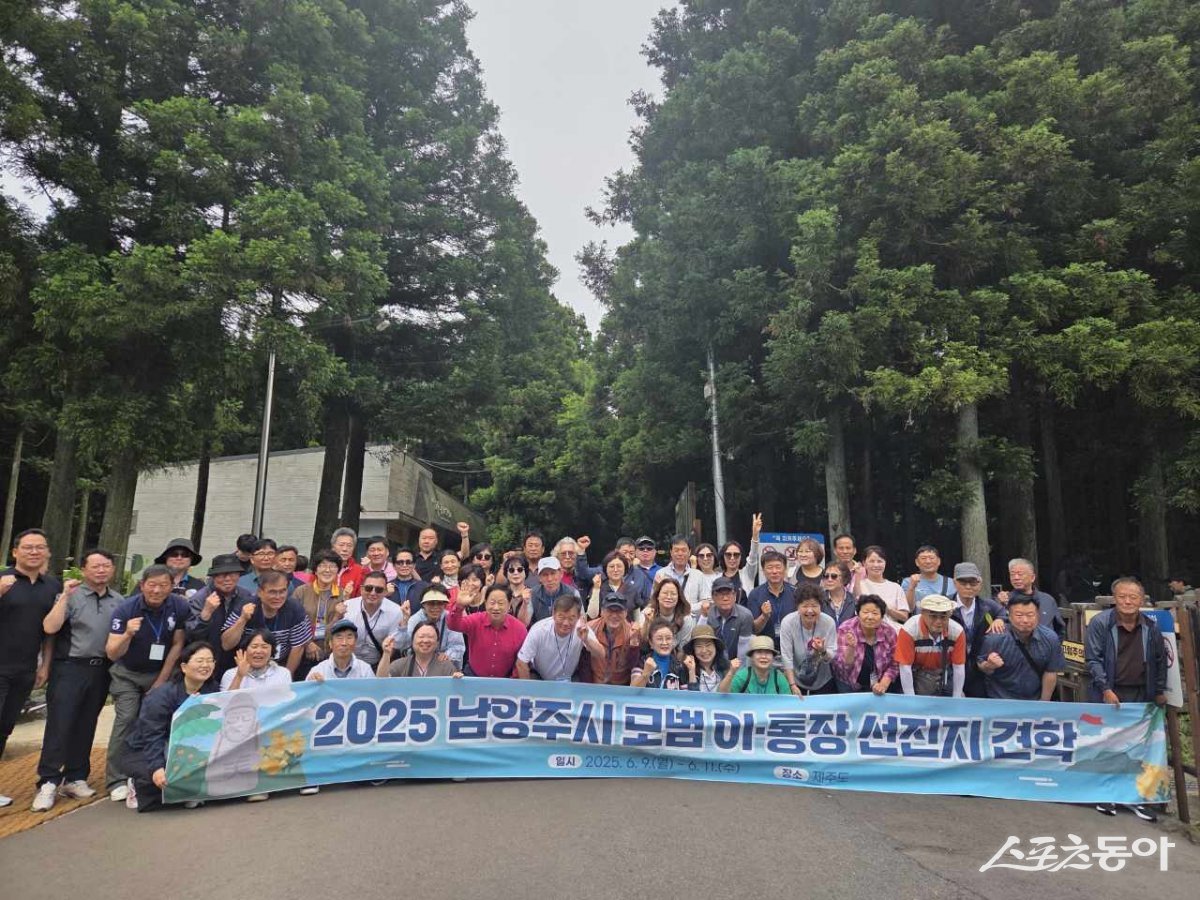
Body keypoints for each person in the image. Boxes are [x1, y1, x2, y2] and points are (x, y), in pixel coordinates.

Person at [31, 549, 123, 813]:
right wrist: (63, 598)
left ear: (113, 570)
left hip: (101, 669)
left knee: (86, 724)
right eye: (95, 566)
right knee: (61, 723)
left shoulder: (118, 600)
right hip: (69, 667)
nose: (101, 570)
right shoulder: (71, 595)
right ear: (84, 570)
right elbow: (50, 628)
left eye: (106, 566)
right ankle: (48, 780)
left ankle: (76, 776)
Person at [103, 565, 189, 802]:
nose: (157, 590)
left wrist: (161, 681)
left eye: (163, 585)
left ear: (172, 587)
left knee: (157, 721)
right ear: (142, 586)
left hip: (160, 673)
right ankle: (116, 779)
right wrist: (128, 634)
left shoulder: (179, 606)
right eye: (152, 585)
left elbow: (177, 644)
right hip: (127, 673)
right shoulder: (126, 609)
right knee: (127, 718)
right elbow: (111, 652)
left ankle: (153, 772)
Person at [1085, 577, 1167, 821]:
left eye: (1133, 597)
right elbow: (1093, 659)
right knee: (1108, 745)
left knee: (1137, 747)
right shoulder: (1100, 623)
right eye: (1122, 596)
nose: (1128, 601)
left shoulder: (1150, 628)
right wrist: (1105, 688)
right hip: (1110, 693)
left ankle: (1134, 797)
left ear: (1142, 600)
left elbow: (1160, 661)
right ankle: (1105, 795)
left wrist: (1159, 690)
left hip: (1141, 693)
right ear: (1114, 598)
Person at [0, 529, 59, 807]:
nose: (34, 552)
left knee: (5, 727)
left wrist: (44, 665)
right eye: (27, 547)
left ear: (47, 552)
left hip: (25, 670)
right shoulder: (3, 580)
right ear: (15, 552)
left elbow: (50, 633)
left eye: (39, 547)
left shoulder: (52, 586)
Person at [123, 641, 217, 813]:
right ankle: (135, 784)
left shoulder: (211, 689)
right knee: (159, 783)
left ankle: (188, 790)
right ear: (184, 666)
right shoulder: (162, 696)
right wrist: (157, 768)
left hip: (186, 743)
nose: (205, 665)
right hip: (149, 746)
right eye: (200, 660)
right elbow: (152, 735)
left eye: (210, 660)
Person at [220, 570, 312, 676]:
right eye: (272, 592)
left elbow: (298, 647)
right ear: (260, 592)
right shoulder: (245, 606)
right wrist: (242, 619)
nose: (278, 597)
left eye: (282, 591)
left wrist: (285, 676)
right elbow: (226, 645)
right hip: (246, 666)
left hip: (281, 664)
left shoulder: (295, 608)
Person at [977, 594, 1064, 701]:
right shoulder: (995, 638)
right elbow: (981, 665)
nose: (1025, 620)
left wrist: (1043, 702)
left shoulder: (1050, 638)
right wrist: (989, 665)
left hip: (1034, 700)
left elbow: (1051, 671)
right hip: (1000, 700)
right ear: (1009, 616)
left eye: (1030, 615)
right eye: (1019, 615)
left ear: (1038, 615)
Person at [185, 553, 256, 681]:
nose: (228, 579)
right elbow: (191, 635)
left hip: (236, 660)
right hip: (206, 661)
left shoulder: (246, 596)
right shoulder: (200, 598)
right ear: (213, 577)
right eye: (222, 575)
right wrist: (206, 614)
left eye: (233, 574)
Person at [949, 562, 1007, 698]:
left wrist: (1000, 620)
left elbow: (1004, 614)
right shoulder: (945, 605)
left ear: (980, 584)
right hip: (950, 666)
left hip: (980, 667)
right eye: (963, 582)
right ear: (955, 583)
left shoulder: (988, 606)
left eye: (973, 583)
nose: (968, 587)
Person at [515, 594, 604, 681]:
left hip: (570, 678)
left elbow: (601, 654)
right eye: (561, 617)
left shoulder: (582, 629)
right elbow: (521, 662)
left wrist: (586, 640)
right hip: (539, 676)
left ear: (578, 617)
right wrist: (529, 691)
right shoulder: (539, 630)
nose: (565, 623)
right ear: (553, 614)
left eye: (571, 618)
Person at [446, 583, 528, 678]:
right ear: (485, 603)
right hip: (474, 676)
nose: (496, 608)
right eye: (492, 603)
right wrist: (459, 606)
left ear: (509, 605)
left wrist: (512, 681)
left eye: (501, 603)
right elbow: (453, 625)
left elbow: (522, 659)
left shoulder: (519, 629)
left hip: (505, 680)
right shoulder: (476, 620)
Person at [895, 595, 966, 697]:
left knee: (960, 697)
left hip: (945, 672)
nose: (938, 621)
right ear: (923, 613)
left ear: (950, 615)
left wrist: (957, 697)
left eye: (943, 616)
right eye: (933, 616)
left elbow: (959, 667)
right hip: (917, 672)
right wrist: (910, 700)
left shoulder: (958, 631)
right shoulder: (909, 630)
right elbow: (905, 667)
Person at [293, 549, 346, 679]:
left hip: (330, 654)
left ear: (338, 571)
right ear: (315, 570)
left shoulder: (342, 594)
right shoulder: (302, 591)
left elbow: (344, 627)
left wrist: (337, 617)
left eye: (332, 566)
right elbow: (293, 621)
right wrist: (307, 643)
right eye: (323, 565)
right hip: (303, 653)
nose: (327, 570)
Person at [832, 595, 899, 694]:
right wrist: (851, 647)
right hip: (848, 683)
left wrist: (883, 684)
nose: (870, 617)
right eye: (865, 612)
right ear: (858, 614)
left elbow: (895, 664)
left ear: (882, 617)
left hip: (878, 683)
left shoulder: (889, 632)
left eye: (875, 613)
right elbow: (843, 666)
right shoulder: (846, 629)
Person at [779, 585, 838, 695]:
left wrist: (822, 650)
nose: (810, 610)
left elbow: (831, 656)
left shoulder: (828, 622)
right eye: (805, 606)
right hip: (796, 679)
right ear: (797, 607)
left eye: (814, 606)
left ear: (821, 606)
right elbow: (786, 657)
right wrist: (792, 685)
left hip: (823, 681)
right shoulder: (788, 622)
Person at [344, 570, 405, 669]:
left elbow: (394, 645)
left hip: (379, 662)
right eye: (368, 588)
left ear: (385, 592)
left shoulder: (395, 611)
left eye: (379, 590)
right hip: (348, 662)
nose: (373, 593)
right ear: (361, 589)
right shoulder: (348, 607)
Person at [579, 591, 641, 685]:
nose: (614, 615)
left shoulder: (632, 631)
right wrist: (588, 689)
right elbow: (584, 664)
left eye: (619, 611)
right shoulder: (590, 629)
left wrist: (634, 644)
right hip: (596, 685)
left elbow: (633, 666)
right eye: (610, 610)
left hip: (620, 686)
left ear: (625, 613)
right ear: (602, 612)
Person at [395, 584, 464, 667]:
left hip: (445, 666)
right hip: (419, 664)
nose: (435, 607)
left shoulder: (451, 619)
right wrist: (404, 621)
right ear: (423, 604)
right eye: (431, 603)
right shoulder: (415, 620)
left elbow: (458, 646)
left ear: (445, 604)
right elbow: (403, 645)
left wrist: (447, 655)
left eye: (439, 603)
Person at [998, 558, 1065, 637]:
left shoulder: (1047, 600)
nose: (1016, 578)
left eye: (1020, 574)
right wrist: (1001, 604)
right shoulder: (1004, 600)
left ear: (1032, 577)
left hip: (1044, 646)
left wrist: (1053, 646)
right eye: (1012, 574)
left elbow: (1060, 629)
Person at [747, 549, 797, 648]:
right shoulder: (755, 594)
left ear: (785, 569)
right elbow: (753, 629)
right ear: (763, 570)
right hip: (765, 650)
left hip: (791, 648)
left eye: (778, 567)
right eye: (770, 567)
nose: (774, 571)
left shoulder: (795, 592)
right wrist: (764, 616)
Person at [378, 622, 463, 678]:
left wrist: (457, 681)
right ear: (412, 640)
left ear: (437, 642)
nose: (425, 641)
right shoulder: (400, 664)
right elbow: (381, 682)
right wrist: (386, 654)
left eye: (430, 637)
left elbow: (455, 692)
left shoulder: (446, 666)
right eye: (421, 637)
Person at [219, 630, 294, 691]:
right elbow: (226, 704)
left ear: (272, 651)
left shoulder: (283, 674)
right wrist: (239, 676)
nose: (258, 651)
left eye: (264, 647)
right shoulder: (230, 674)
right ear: (245, 650)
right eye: (254, 646)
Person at [306, 619, 375, 681]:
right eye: (339, 637)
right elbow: (307, 693)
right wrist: (311, 683)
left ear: (355, 642)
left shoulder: (365, 670)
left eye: (349, 637)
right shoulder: (318, 671)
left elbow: (373, 693)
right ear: (330, 643)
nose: (344, 643)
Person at [636, 577, 694, 650]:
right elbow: (642, 642)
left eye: (673, 594)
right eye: (665, 593)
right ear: (658, 596)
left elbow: (683, 648)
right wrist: (648, 623)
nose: (669, 597)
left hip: (675, 656)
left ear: (679, 597)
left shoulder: (686, 619)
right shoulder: (648, 612)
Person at [706, 577, 754, 661]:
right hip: (712, 661)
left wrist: (737, 672)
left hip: (736, 662)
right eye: (721, 594)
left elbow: (743, 649)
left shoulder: (745, 615)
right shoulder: (708, 614)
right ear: (713, 597)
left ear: (735, 596)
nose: (725, 598)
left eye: (728, 594)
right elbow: (702, 642)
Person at [858, 546, 910, 625]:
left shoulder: (895, 587)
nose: (876, 565)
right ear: (864, 563)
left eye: (879, 561)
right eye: (871, 561)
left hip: (892, 632)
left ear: (885, 563)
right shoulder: (859, 585)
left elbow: (904, 616)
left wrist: (887, 609)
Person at [631, 619, 689, 689]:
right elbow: (633, 690)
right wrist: (646, 674)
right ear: (651, 642)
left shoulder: (680, 666)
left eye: (668, 638)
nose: (664, 643)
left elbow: (684, 697)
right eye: (659, 639)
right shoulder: (641, 662)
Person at [721, 636, 788, 694]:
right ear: (751, 657)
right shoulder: (743, 676)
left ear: (773, 657)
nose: (764, 656)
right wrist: (731, 672)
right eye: (759, 652)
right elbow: (722, 694)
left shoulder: (779, 677)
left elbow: (788, 703)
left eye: (767, 652)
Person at [901, 545, 954, 610]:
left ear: (939, 561)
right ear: (917, 562)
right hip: (918, 619)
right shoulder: (908, 582)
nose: (928, 561)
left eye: (931, 558)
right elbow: (908, 608)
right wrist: (911, 588)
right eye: (923, 558)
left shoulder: (951, 583)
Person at [682, 624, 732, 692]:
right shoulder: (684, 671)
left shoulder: (726, 668)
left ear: (716, 646)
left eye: (708, 645)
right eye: (699, 646)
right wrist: (691, 672)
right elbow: (691, 700)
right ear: (693, 649)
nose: (704, 650)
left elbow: (728, 695)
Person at [586, 550, 636, 619]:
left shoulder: (632, 589)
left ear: (625, 568)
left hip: (626, 629)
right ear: (605, 569)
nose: (615, 570)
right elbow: (592, 615)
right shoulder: (599, 587)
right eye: (612, 566)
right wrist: (596, 589)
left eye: (619, 566)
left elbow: (637, 619)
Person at [529, 557, 580, 623]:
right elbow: (524, 622)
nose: (549, 579)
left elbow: (581, 620)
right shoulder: (532, 593)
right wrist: (525, 603)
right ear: (539, 578)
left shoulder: (573, 593)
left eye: (553, 573)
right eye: (545, 575)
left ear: (561, 574)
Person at [684, 542, 720, 613]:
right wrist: (693, 567)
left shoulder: (721, 576)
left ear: (714, 557)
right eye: (701, 556)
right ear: (697, 559)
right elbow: (688, 603)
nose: (705, 558)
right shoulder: (689, 576)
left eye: (709, 555)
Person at [627, 535, 661, 608]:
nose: (645, 550)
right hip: (635, 610)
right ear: (635, 552)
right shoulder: (628, 570)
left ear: (655, 552)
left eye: (649, 548)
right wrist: (632, 568)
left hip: (657, 609)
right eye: (641, 548)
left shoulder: (662, 571)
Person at [331, 527, 365, 598]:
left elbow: (361, 598)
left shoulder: (359, 571)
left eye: (349, 546)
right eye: (341, 545)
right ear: (333, 546)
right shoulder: (322, 567)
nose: (345, 549)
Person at [820, 561, 856, 626]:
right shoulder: (818, 600)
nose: (829, 579)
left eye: (834, 576)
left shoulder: (854, 601)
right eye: (826, 576)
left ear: (844, 578)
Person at [500, 554, 533, 625]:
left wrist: (525, 603)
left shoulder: (532, 593)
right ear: (506, 573)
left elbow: (524, 623)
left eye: (520, 569)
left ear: (526, 572)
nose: (516, 573)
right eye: (511, 570)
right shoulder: (501, 593)